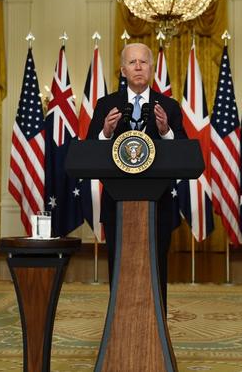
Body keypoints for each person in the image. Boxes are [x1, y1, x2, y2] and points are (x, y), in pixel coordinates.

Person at [87, 42, 186, 307]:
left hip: (159, 204)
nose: (138, 67)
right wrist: (105, 133)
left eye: (143, 62)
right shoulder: (106, 105)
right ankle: (117, 325)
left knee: (156, 267)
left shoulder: (169, 107)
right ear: (122, 70)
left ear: (152, 68)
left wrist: (166, 131)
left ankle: (158, 327)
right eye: (132, 62)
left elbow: (184, 153)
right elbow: (89, 152)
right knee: (120, 267)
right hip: (116, 204)